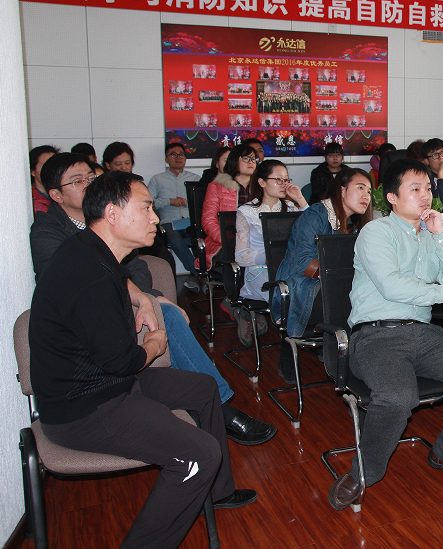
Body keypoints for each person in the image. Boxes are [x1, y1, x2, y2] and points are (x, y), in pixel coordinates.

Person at [30, 170, 259, 548]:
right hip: (84, 408)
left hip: (108, 384)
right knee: (199, 454)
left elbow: (119, 285)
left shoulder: (91, 250)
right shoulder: (90, 275)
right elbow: (123, 361)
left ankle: (217, 492)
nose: (155, 218)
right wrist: (155, 343)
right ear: (112, 214)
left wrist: (145, 299)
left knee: (202, 389)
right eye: (146, 208)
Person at [31, 153, 277, 446]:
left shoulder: (111, 225)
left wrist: (147, 297)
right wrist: (142, 300)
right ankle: (220, 410)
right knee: (169, 317)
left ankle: (208, 404)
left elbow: (134, 268)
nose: (88, 184)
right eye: (77, 181)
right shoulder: (50, 231)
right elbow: (82, 283)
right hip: (87, 345)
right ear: (56, 195)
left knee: (166, 308)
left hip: (118, 305)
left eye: (90, 177)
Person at [328, 159, 443, 511]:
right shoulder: (376, 232)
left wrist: (439, 237)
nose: (426, 196)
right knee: (397, 397)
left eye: (428, 188)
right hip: (377, 336)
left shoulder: (429, 234)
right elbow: (393, 287)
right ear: (392, 197)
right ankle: (364, 473)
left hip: (423, 336)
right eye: (415, 188)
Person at [272, 168, 372, 383]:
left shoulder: (352, 224)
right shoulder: (316, 215)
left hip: (332, 285)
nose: (366, 196)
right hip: (301, 285)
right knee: (352, 300)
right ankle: (343, 363)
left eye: (369, 191)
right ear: (342, 190)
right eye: (360, 188)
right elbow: (304, 264)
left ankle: (355, 360)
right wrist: (340, 277)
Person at [234, 159, 307, 344]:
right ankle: (293, 340)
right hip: (260, 270)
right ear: (262, 182)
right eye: (278, 179)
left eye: (286, 179)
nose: (284, 184)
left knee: (310, 289)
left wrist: (301, 200)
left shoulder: (292, 208)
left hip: (289, 268)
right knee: (289, 292)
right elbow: (241, 256)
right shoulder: (247, 212)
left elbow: (314, 231)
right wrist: (268, 259)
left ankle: (303, 337)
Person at [147, 143, 201, 291]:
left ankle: (198, 272)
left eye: (181, 155)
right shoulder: (157, 179)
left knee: (201, 237)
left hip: (191, 221)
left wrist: (190, 202)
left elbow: (203, 202)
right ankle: (197, 271)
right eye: (173, 154)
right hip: (170, 223)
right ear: (166, 159)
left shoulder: (195, 178)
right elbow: (149, 203)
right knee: (174, 237)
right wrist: (169, 201)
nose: (178, 157)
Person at [201, 143, 257, 270]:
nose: (251, 162)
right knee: (236, 258)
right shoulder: (216, 186)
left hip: (255, 242)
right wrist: (229, 240)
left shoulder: (261, 187)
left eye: (253, 159)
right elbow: (208, 220)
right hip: (224, 242)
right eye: (246, 158)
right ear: (234, 161)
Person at [29, 144, 60, 213]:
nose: (51, 170)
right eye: (45, 166)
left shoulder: (64, 192)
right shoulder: (32, 202)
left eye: (55, 165)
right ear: (32, 171)